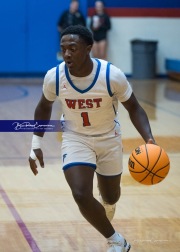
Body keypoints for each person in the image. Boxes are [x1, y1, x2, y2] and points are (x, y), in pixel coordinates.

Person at [29, 25, 156, 252]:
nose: (67, 53)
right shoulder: (54, 77)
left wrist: (149, 139)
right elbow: (43, 107)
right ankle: (117, 240)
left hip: (109, 137)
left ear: (88, 48)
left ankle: (106, 204)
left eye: (73, 48)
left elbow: (134, 108)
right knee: (80, 193)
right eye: (63, 48)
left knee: (111, 196)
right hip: (75, 137)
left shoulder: (111, 75)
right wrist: (35, 143)